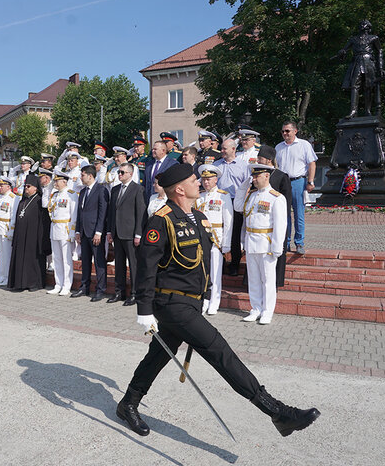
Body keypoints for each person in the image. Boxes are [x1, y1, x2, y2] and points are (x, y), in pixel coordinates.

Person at [115, 163, 319, 438]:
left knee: (159, 354)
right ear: (179, 189)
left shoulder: (197, 218)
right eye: (192, 180)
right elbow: (146, 267)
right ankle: (277, 412)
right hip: (171, 304)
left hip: (190, 302)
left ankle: (128, 403)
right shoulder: (161, 220)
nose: (198, 182)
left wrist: (205, 294)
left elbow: (201, 263)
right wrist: (144, 309)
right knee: (218, 350)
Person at [236, 164, 287, 325]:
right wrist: (244, 186)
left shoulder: (276, 197)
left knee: (268, 280)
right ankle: (255, 308)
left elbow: (280, 225)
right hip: (251, 243)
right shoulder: (251, 195)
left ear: (266, 176)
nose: (254, 179)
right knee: (254, 279)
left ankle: (267, 311)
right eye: (253, 176)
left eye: (256, 176)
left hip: (267, 244)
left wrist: (277, 248)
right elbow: (239, 209)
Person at [194, 165, 233, 315]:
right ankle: (204, 300)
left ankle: (214, 302)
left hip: (216, 238)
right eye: (204, 179)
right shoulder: (200, 197)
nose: (206, 182)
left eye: (209, 179)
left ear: (216, 180)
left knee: (215, 272)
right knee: (202, 272)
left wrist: (226, 244)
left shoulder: (223, 196)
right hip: (201, 238)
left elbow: (228, 222)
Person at [106, 163, 146, 306]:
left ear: (130, 173)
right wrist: (110, 231)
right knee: (119, 265)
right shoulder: (115, 189)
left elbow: (140, 213)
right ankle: (119, 292)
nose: (120, 175)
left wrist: (138, 234)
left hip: (130, 234)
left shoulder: (138, 189)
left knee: (133, 265)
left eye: (122, 172)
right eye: (119, 172)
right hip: (117, 232)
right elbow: (112, 212)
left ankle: (135, 293)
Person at [275, 121, 317, 254]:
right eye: (283, 131)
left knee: (299, 214)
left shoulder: (304, 145)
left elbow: (312, 164)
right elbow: (276, 167)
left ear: (295, 131)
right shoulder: (278, 147)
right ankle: (285, 243)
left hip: (298, 181)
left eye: (287, 131)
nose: (285, 134)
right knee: (283, 215)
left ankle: (299, 243)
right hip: (283, 183)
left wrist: (310, 181)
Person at [257, 145, 292, 287]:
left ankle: (275, 282)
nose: (258, 160)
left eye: (260, 158)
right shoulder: (257, 175)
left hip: (274, 220)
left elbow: (286, 200)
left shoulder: (281, 176)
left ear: (269, 160)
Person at [72, 165, 109, 302]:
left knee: (99, 262)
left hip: (95, 232)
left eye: (82, 175)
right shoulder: (82, 192)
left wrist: (99, 232)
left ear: (90, 176)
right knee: (85, 261)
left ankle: (100, 290)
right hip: (83, 232)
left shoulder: (101, 190)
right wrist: (77, 230)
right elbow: (80, 213)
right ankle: (84, 287)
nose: (81, 178)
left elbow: (102, 212)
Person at [214, 139, 250, 276]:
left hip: (236, 202)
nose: (222, 151)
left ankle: (235, 264)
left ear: (233, 149)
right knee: (219, 232)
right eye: (221, 148)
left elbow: (247, 186)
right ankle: (220, 263)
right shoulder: (216, 165)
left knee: (234, 234)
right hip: (219, 202)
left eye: (224, 149)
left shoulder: (243, 165)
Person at [8, 174, 48, 291]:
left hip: (34, 237)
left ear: (35, 188)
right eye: (25, 186)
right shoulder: (23, 201)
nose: (26, 188)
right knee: (20, 259)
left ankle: (33, 283)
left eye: (28, 186)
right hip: (21, 236)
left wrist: (41, 239)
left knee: (32, 260)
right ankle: (19, 283)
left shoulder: (40, 201)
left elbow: (44, 222)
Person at [47, 169, 78, 296]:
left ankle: (66, 285)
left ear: (64, 181)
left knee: (66, 260)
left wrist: (72, 233)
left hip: (65, 229)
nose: (55, 183)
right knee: (56, 258)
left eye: (57, 181)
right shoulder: (54, 195)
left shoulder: (71, 194)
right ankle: (58, 284)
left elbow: (74, 215)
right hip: (54, 228)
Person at [0, 176, 18, 287]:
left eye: (2, 185)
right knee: (1, 254)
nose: (0, 187)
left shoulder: (13, 198)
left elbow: (13, 215)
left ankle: (8, 277)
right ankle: (1, 276)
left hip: (6, 228)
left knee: (7, 255)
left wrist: (11, 230)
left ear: (8, 186)